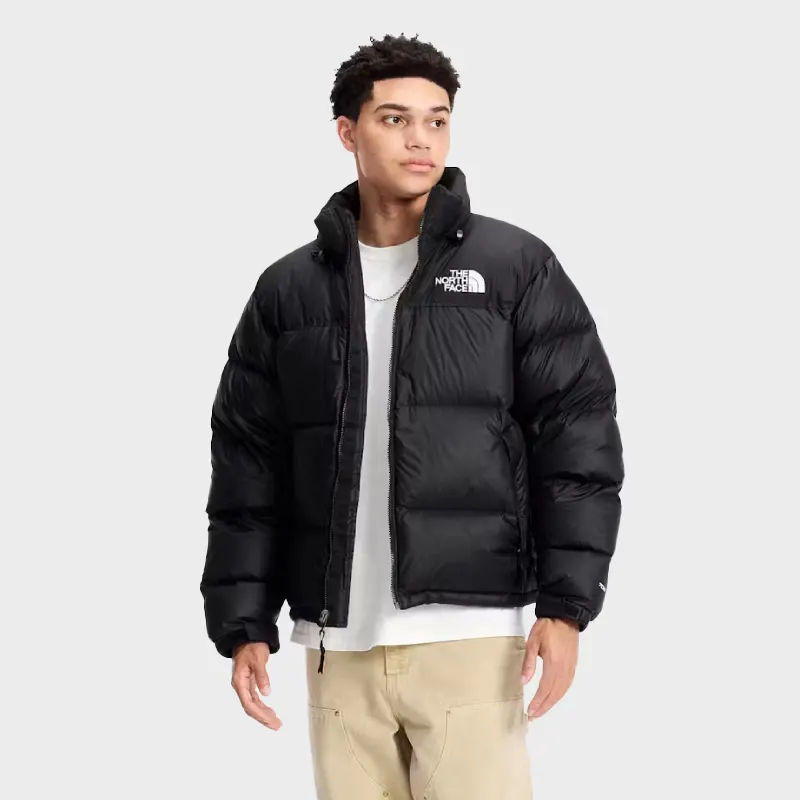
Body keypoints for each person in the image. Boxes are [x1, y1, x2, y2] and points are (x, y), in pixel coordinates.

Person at [200, 32, 624, 800]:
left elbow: (578, 437)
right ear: (348, 132)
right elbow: (248, 465)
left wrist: (566, 608)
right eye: (395, 119)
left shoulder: (513, 267)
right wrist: (244, 620)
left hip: (469, 640)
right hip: (335, 646)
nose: (421, 139)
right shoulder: (288, 291)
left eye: (437, 120)